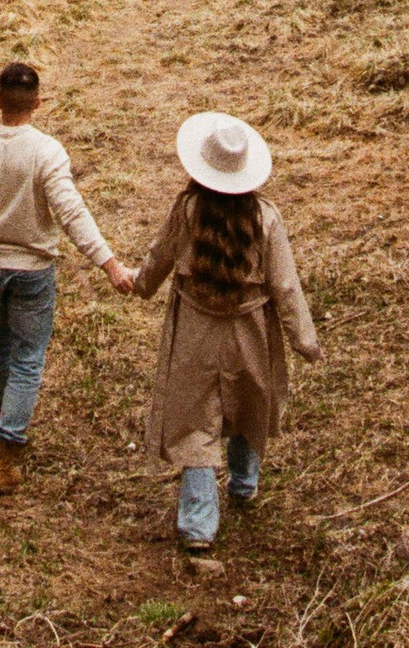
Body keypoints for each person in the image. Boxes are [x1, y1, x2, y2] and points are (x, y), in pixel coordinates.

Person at [0, 60, 135, 493]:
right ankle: (7, 444)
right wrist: (110, 264)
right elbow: (71, 213)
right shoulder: (47, 151)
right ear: (38, 103)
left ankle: (8, 415)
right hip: (32, 271)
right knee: (28, 358)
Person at [134, 110, 320, 551]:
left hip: (196, 329)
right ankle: (243, 482)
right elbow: (285, 283)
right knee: (248, 402)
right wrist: (304, 340)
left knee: (197, 419)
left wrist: (141, 284)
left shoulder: (188, 209)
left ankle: (199, 525)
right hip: (249, 330)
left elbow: (161, 255)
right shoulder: (266, 218)